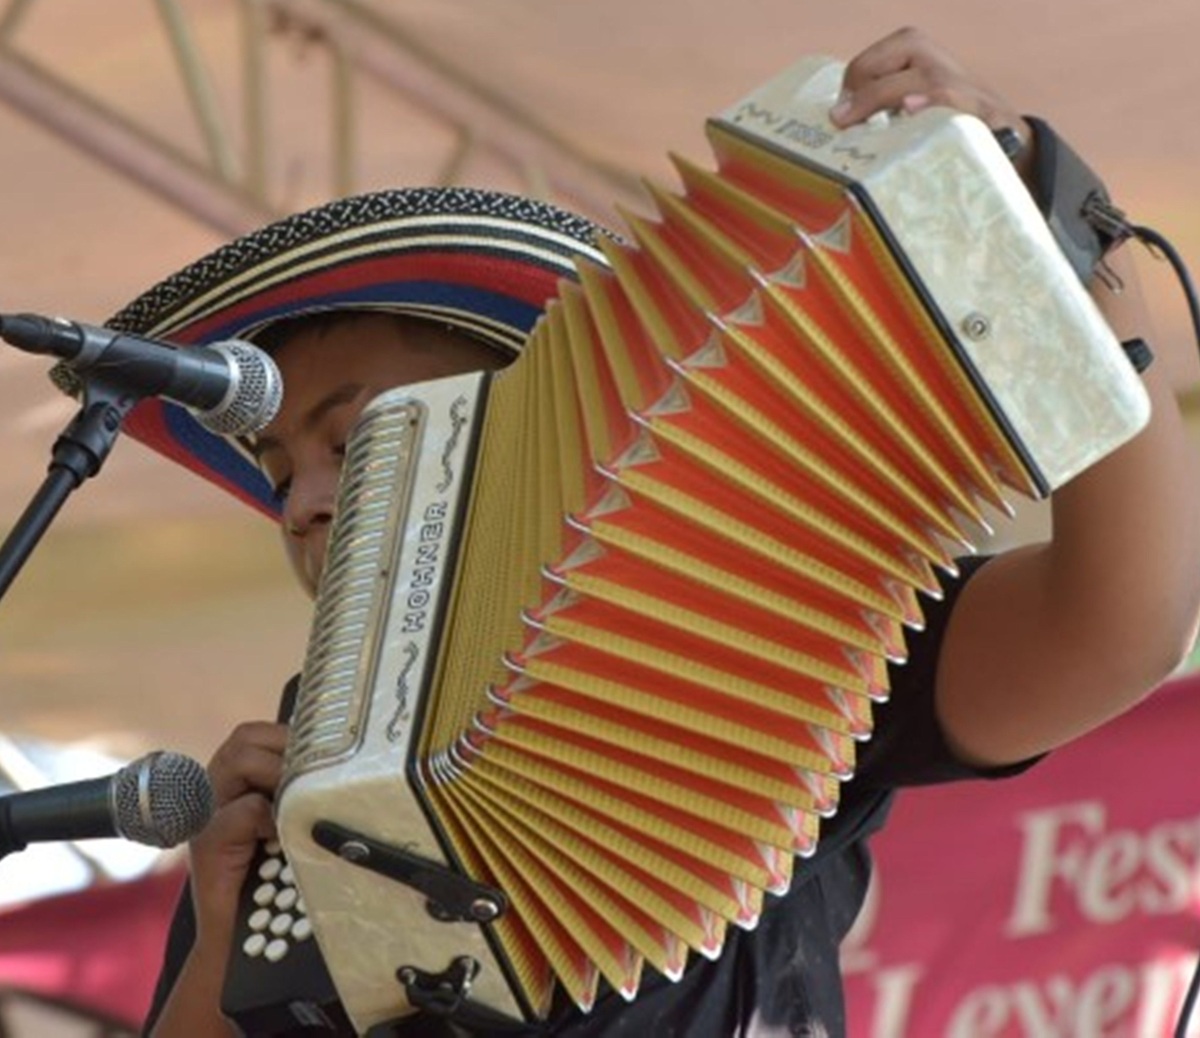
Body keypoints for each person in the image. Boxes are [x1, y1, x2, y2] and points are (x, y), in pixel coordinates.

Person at [112, 26, 1200, 1038]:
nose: (299, 500)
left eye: (350, 442)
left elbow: (1114, 628)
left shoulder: (762, 613)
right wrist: (219, 939)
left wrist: (1066, 238)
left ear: (540, 419)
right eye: (278, 474)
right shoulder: (296, 781)